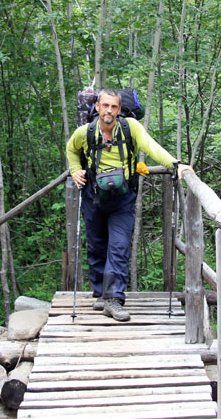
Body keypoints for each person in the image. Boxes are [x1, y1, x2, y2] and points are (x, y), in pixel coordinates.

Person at [66, 89, 193, 321]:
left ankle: (114, 299)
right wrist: (75, 171)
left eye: (114, 107)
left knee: (119, 245)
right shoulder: (84, 132)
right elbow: (71, 150)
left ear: (119, 110)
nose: (109, 111)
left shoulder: (130, 127)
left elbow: (150, 146)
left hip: (122, 198)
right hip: (93, 196)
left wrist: (175, 165)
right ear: (97, 107)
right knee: (96, 245)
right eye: (105, 106)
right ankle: (101, 294)